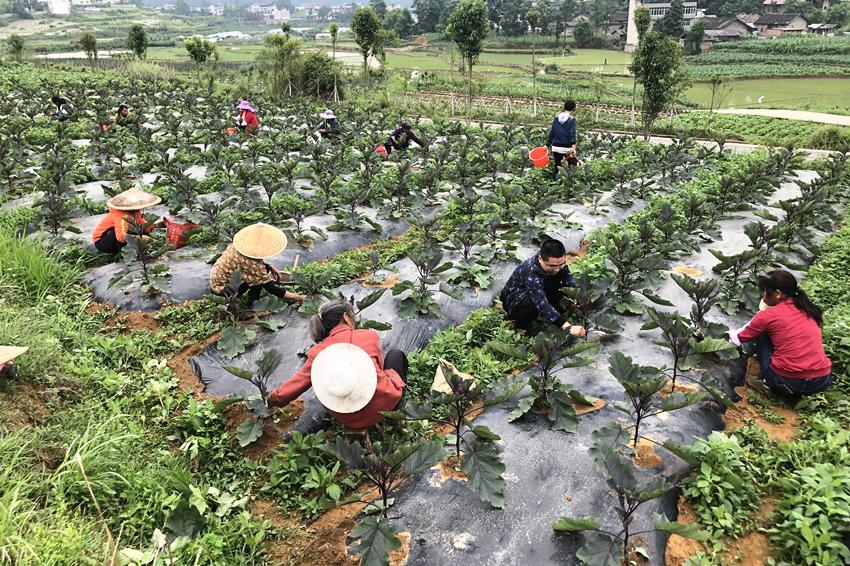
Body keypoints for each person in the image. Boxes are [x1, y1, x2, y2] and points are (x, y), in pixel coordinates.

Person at [268, 299, 407, 430]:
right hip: (383, 404)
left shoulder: (317, 352)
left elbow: (294, 386)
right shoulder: (367, 336)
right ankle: (398, 407)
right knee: (395, 355)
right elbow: (379, 370)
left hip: (348, 417)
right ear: (346, 317)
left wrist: (270, 400)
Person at [730, 270, 831, 398]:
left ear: (777, 294)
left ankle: (757, 373)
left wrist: (728, 336)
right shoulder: (807, 309)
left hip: (787, 382)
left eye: (764, 292)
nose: (762, 296)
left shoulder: (768, 316)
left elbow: (740, 338)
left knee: (761, 334)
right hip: (821, 381)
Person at [499, 239, 585, 335]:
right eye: (552, 266)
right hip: (515, 301)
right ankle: (520, 326)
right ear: (541, 259)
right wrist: (567, 327)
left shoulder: (558, 263)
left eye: (560, 264)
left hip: (540, 291)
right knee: (530, 302)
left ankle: (554, 315)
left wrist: (575, 296)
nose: (557, 269)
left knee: (560, 285)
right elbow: (540, 301)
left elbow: (568, 278)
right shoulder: (531, 270)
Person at [209, 223, 305, 306]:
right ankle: (253, 304)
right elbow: (270, 287)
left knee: (260, 273)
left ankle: (252, 299)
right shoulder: (251, 263)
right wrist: (298, 297)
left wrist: (270, 267)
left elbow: (255, 265)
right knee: (259, 279)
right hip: (223, 292)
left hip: (217, 281)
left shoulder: (239, 247)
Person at [92, 188, 162, 254]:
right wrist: (139, 238)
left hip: (116, 236)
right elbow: (121, 237)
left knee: (140, 230)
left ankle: (134, 250)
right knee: (120, 234)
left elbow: (143, 225)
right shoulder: (121, 216)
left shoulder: (136, 212)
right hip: (103, 242)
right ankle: (122, 253)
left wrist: (157, 225)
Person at [547, 100, 578, 180]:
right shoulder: (571, 120)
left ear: (564, 107)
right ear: (573, 109)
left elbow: (552, 132)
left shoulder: (557, 118)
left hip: (556, 147)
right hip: (566, 147)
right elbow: (572, 133)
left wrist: (547, 145)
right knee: (570, 167)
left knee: (557, 166)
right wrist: (573, 147)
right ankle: (567, 184)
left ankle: (554, 184)